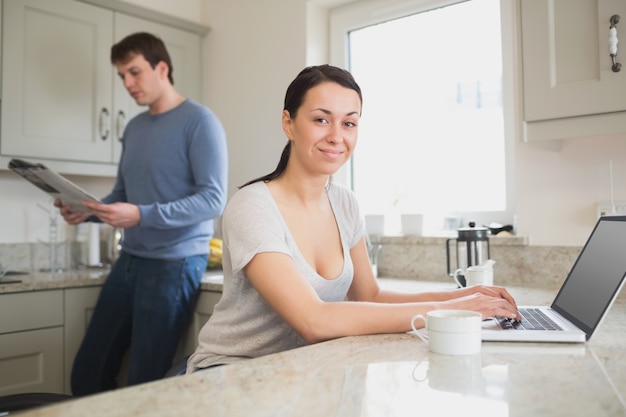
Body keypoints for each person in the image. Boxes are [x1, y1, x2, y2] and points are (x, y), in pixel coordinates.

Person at [186, 64, 520, 373]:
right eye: (320, 119)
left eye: (349, 122)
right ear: (288, 123)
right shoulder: (252, 207)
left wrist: (465, 297)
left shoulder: (345, 204)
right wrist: (456, 311)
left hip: (301, 369)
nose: (336, 136)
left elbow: (368, 296)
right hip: (232, 371)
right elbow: (313, 320)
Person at [55, 32, 228, 395]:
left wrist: (141, 215)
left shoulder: (200, 121)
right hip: (130, 260)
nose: (128, 84)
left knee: (144, 384)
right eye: (122, 76)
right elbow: (122, 195)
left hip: (174, 264)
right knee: (88, 370)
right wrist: (84, 211)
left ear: (161, 67)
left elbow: (213, 199)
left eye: (134, 72)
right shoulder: (134, 128)